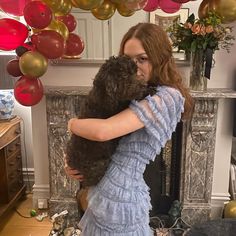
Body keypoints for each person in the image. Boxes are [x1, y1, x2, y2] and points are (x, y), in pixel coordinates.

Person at [66, 22, 193, 235]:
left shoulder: (168, 97)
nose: (134, 68)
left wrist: (71, 124)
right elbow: (99, 134)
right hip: (104, 187)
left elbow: (102, 131)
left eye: (142, 59)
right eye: (129, 59)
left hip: (121, 197)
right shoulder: (134, 93)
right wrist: (72, 162)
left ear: (160, 58)